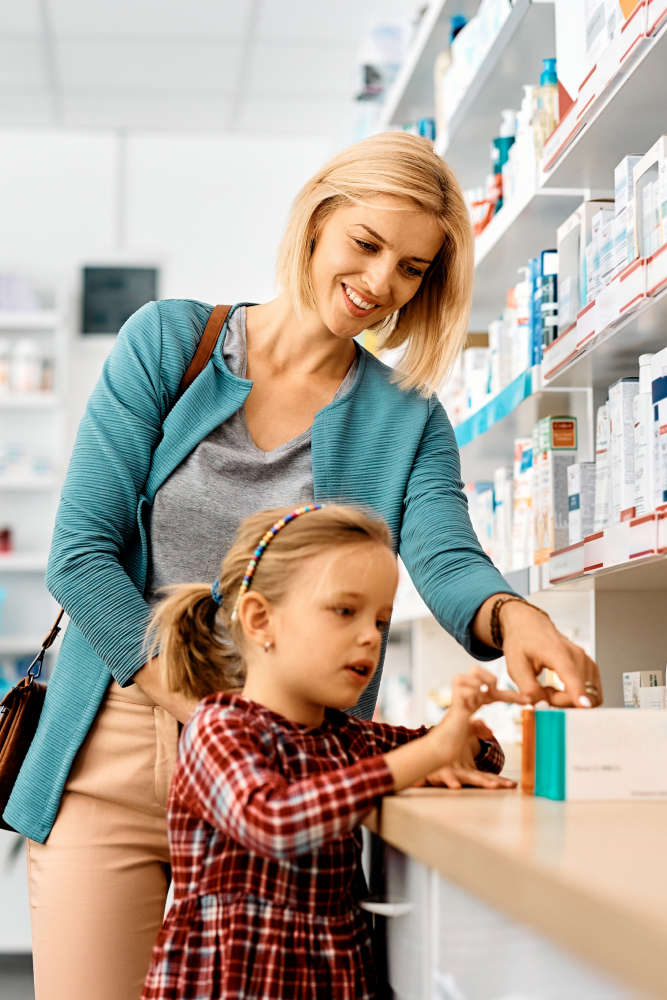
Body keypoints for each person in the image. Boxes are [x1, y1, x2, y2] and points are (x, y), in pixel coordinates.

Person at [5, 132, 602, 1000]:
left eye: (410, 269)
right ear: (318, 221)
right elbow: (80, 554)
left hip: (291, 767)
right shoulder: (172, 343)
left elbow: (442, 553)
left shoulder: (405, 419)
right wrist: (213, 714)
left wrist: (518, 618)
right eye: (366, 244)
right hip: (123, 740)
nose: (379, 285)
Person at [142, 503, 529, 1000]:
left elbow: (467, 755)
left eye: (381, 620)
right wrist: (430, 753)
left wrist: (471, 730)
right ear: (261, 620)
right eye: (346, 611)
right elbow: (274, 822)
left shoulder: (348, 737)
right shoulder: (218, 729)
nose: (370, 635)